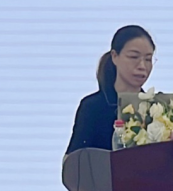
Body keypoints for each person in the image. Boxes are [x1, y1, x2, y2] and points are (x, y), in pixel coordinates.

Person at [65, 25, 156, 155]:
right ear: (114, 56)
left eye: (148, 59)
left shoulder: (156, 110)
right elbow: (74, 160)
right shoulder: (93, 107)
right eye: (133, 57)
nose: (142, 66)